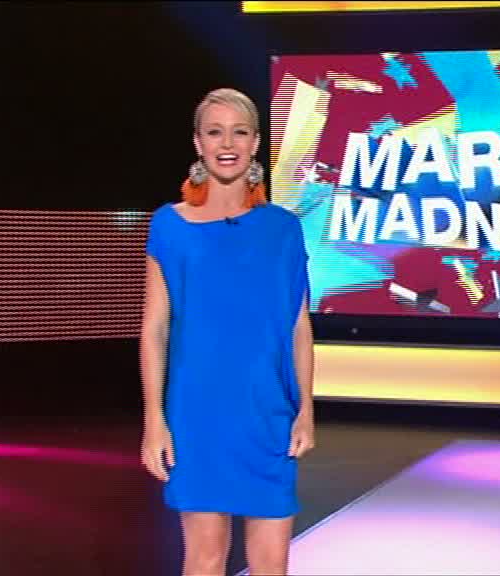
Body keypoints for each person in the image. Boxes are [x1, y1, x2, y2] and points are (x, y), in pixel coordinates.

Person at [140, 87, 315, 576]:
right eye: (215, 132)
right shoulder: (169, 224)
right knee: (205, 557)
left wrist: (306, 409)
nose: (227, 143)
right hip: (197, 414)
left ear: (255, 142)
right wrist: (154, 419)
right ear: (198, 142)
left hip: (268, 412)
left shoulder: (282, 228)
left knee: (271, 563)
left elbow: (298, 325)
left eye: (239, 132)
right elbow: (154, 328)